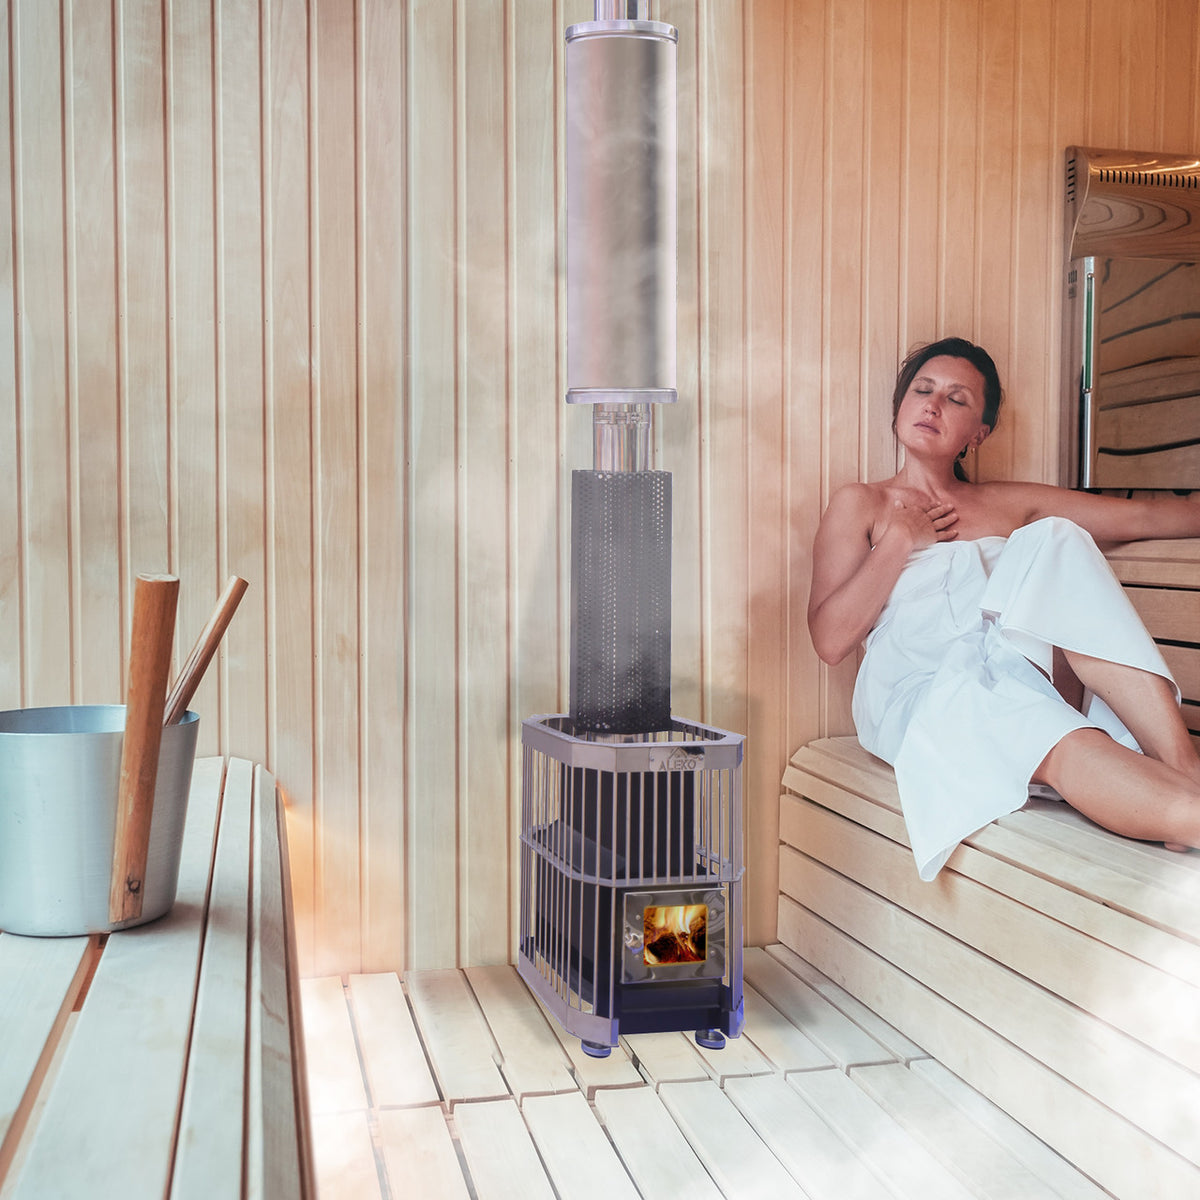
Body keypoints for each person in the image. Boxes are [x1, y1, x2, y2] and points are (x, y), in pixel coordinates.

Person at [808, 335, 1200, 878]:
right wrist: (900, 540)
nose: (933, 404)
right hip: (923, 688)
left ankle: (1183, 766)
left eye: (957, 399)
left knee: (1056, 537)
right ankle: (1182, 807)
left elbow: (1147, 520)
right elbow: (829, 641)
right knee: (1030, 720)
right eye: (922, 390)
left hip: (1017, 667)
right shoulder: (862, 504)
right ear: (900, 405)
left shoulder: (1010, 502)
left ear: (979, 432)